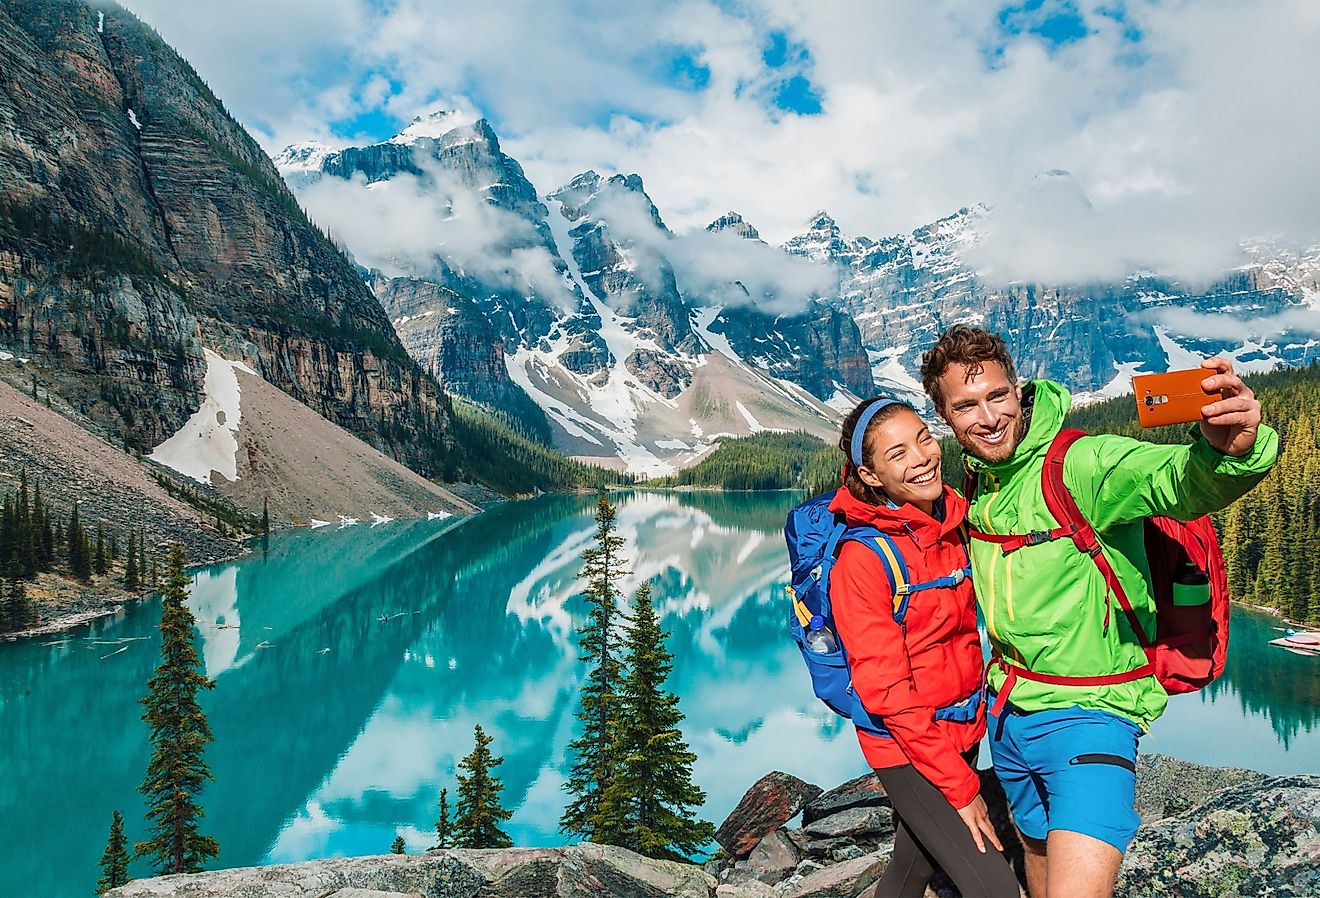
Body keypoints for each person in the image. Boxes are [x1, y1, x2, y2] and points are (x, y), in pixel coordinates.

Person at [919, 325, 1278, 898]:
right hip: (1009, 717)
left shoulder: (1084, 463)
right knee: (1035, 865)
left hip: (1092, 716)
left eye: (997, 396)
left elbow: (1179, 483)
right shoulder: (981, 481)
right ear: (944, 415)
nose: (987, 417)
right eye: (966, 405)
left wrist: (1229, 450)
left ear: (1019, 388)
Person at [828, 397, 1021, 898]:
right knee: (995, 888)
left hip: (962, 726)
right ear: (870, 477)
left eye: (924, 439)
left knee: (913, 871)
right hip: (905, 745)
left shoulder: (953, 521)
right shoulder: (862, 561)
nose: (921, 458)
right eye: (897, 454)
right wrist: (961, 788)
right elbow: (887, 692)